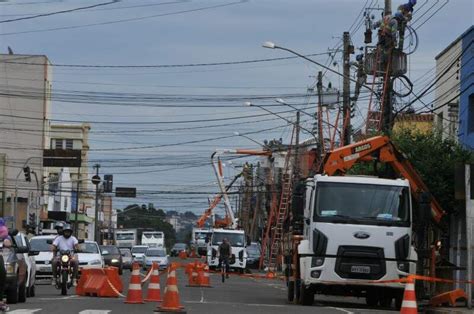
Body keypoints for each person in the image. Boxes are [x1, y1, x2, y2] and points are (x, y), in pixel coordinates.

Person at [0, 218, 10, 312]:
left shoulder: (3, 233)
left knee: (2, 273)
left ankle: (1, 301)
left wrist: (6, 242)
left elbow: (8, 242)